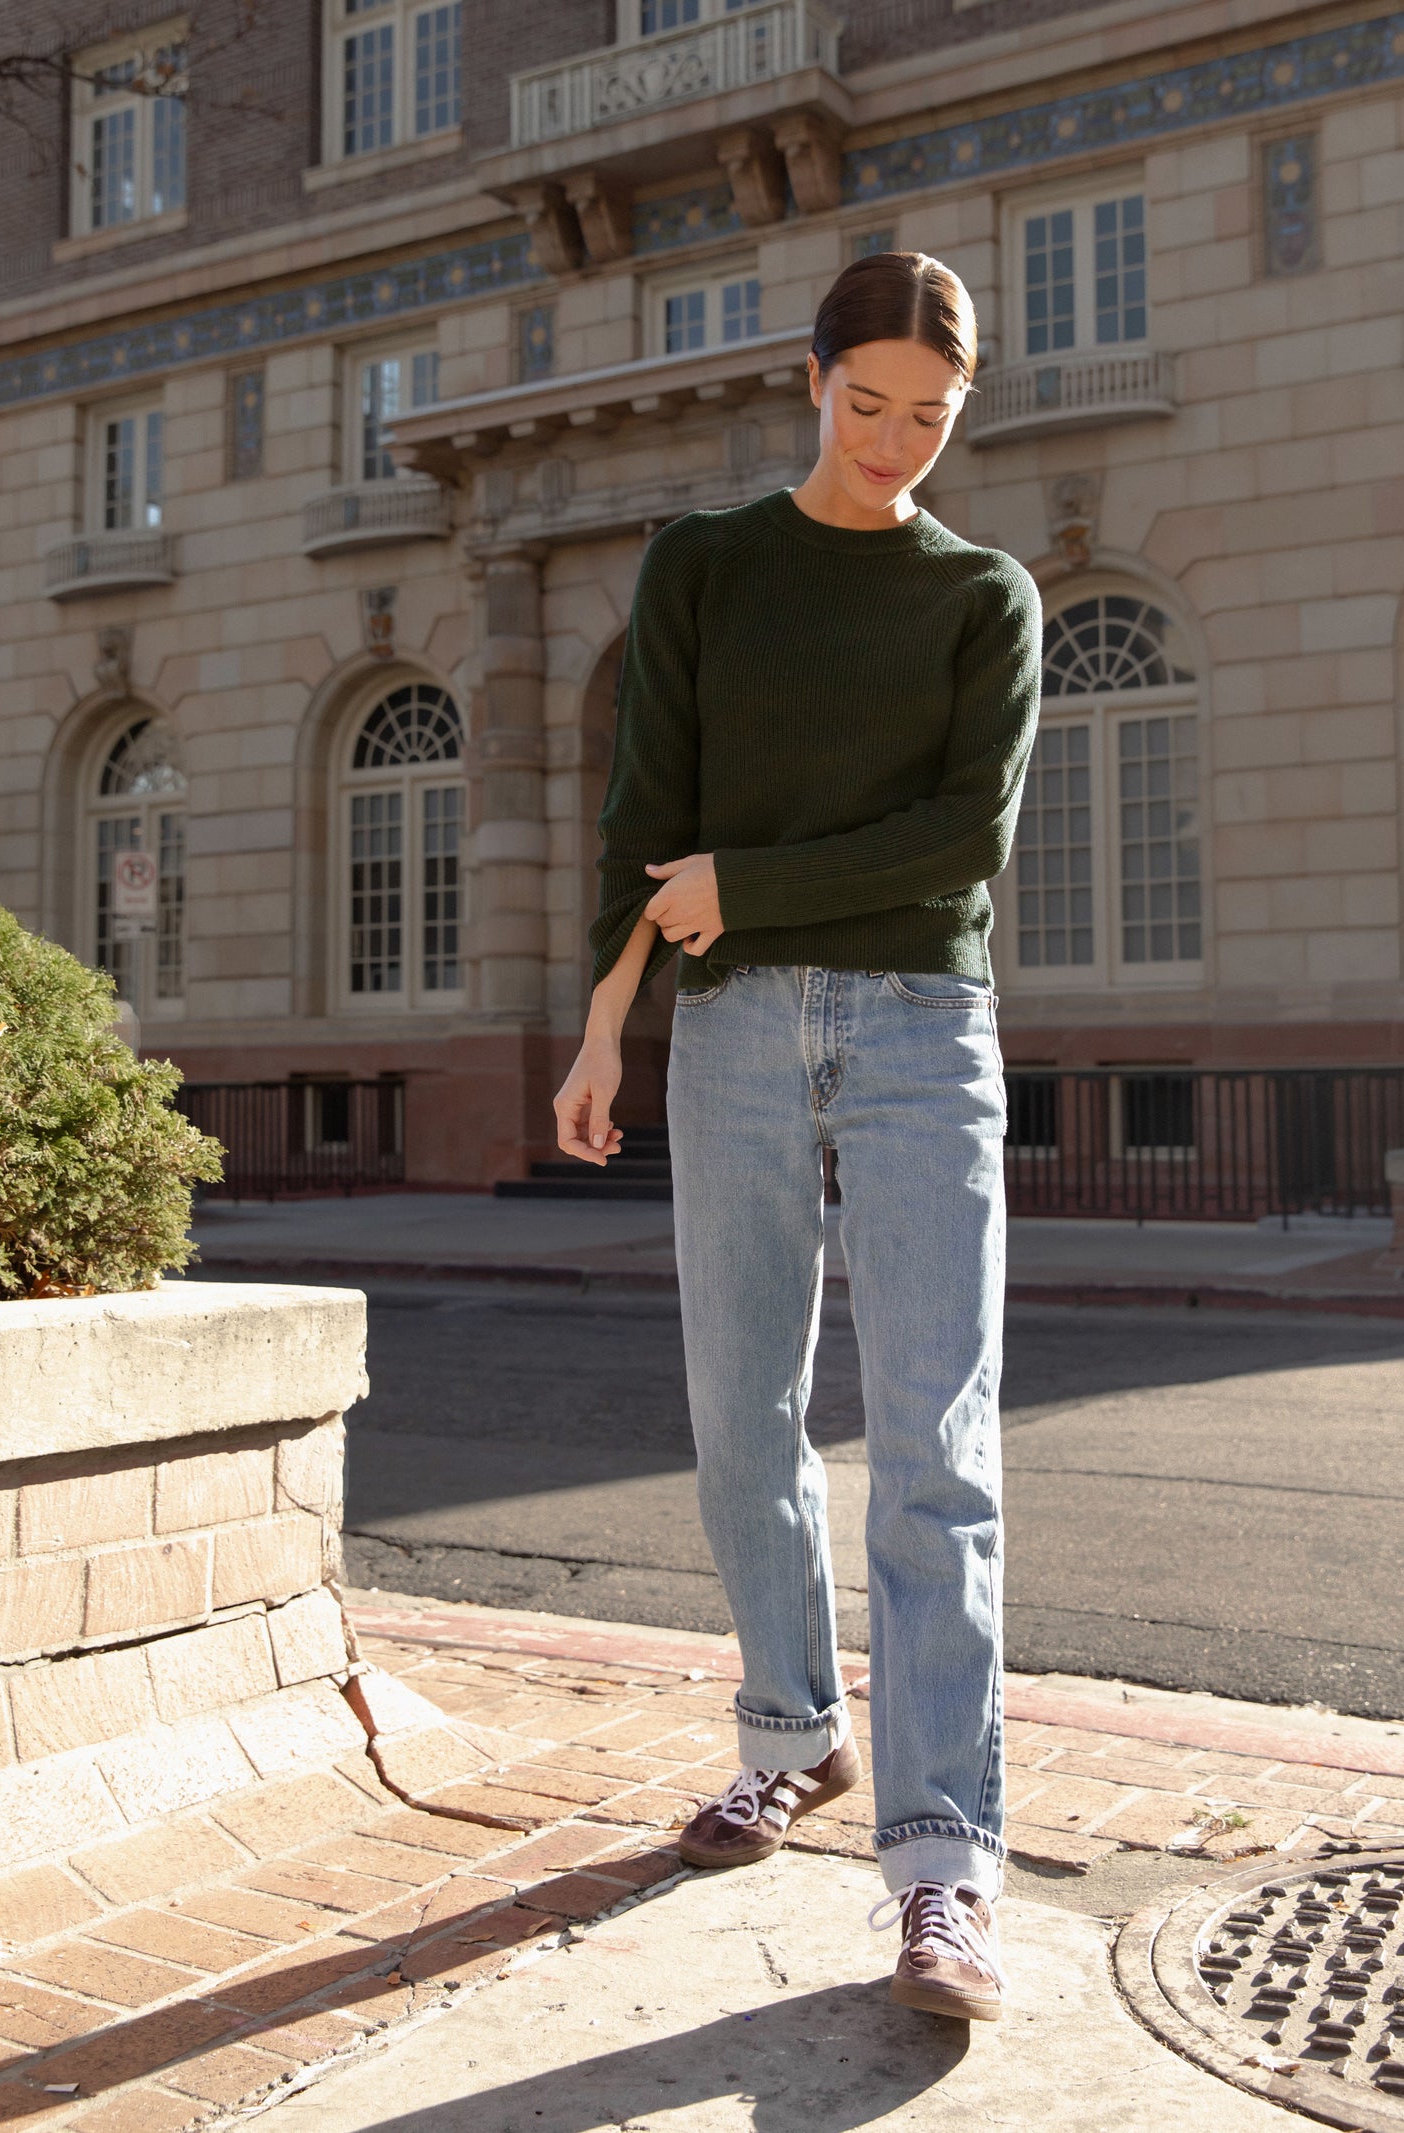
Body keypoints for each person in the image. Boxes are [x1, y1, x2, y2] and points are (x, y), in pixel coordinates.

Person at [553, 250, 1040, 2024]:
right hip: (734, 1029)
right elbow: (648, 813)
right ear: (811, 380)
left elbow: (961, 840)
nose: (896, 440)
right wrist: (606, 1020)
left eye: (933, 414)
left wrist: (745, 886)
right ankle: (789, 1733)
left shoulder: (984, 595)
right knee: (741, 1412)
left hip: (922, 1026)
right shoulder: (706, 565)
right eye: (869, 402)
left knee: (934, 1447)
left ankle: (943, 1865)